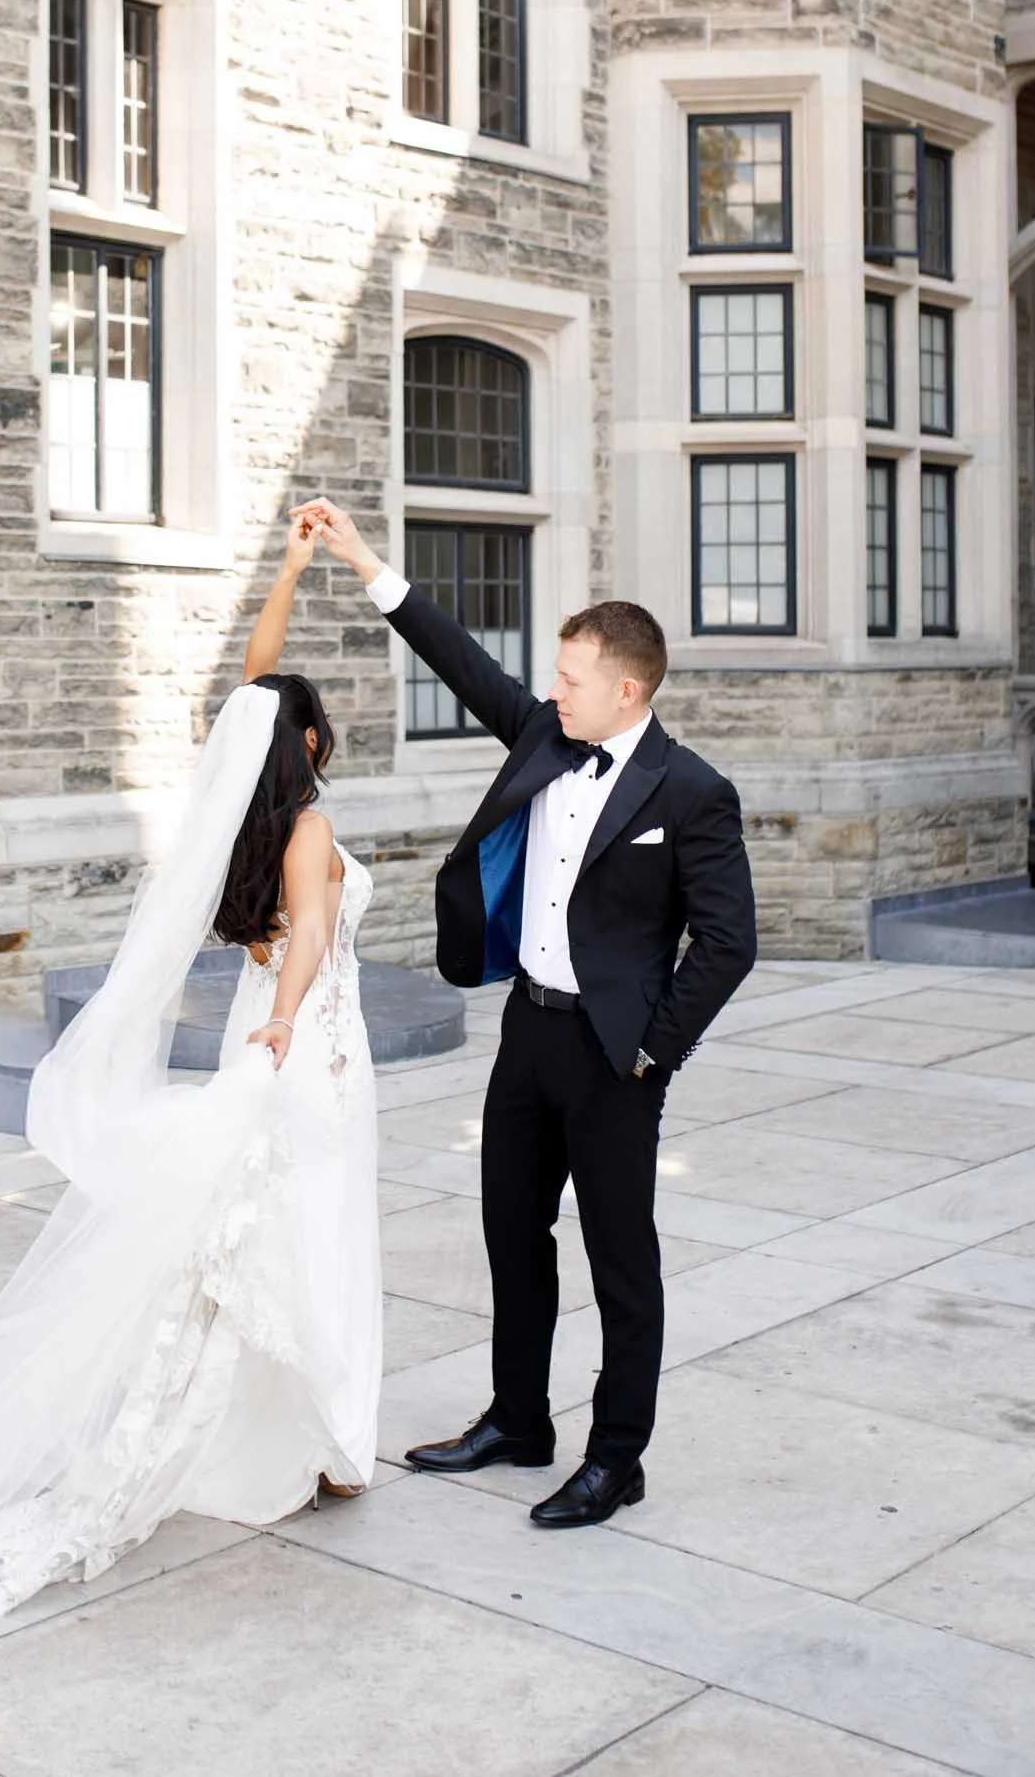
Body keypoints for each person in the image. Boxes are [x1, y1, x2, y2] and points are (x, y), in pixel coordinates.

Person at [0, 515, 381, 1615]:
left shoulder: (244, 818)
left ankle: (285, 1431)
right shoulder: (308, 828)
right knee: (311, 1228)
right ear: (312, 747)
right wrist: (282, 1021)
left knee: (254, 1237)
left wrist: (285, 569)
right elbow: (314, 936)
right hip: (307, 1045)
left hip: (261, 1034)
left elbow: (256, 686)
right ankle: (316, 1437)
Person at [296, 498, 755, 1530]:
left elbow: (729, 940)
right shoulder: (545, 735)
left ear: (626, 690)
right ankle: (516, 1417)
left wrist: (651, 1049)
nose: (551, 690)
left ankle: (616, 1456)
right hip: (527, 1032)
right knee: (511, 1230)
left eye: (572, 677)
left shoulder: (690, 792)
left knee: (619, 1259)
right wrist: (362, 557)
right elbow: (457, 658)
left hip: (612, 1055)